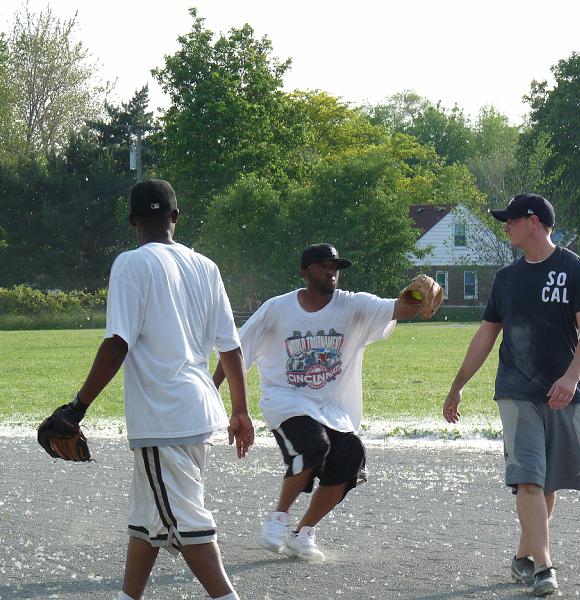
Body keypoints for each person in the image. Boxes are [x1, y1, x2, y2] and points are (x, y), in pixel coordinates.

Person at [42, 180, 254, 600]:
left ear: (132, 221)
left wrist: (78, 406)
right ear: (175, 217)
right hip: (196, 412)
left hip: (163, 416)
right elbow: (230, 345)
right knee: (149, 521)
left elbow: (117, 342)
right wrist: (241, 410)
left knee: (187, 524)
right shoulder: (205, 266)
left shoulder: (131, 263)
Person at [215, 243, 422, 563]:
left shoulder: (353, 305)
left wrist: (418, 295)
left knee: (351, 456)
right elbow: (236, 350)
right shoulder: (278, 309)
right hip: (286, 400)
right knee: (313, 445)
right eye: (323, 266)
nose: (331, 272)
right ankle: (278, 519)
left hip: (333, 408)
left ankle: (303, 534)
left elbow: (400, 308)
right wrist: (214, 391)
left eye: (335, 267)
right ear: (304, 272)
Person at [443, 194, 580, 598]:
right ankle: (545, 567)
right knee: (528, 478)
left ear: (533, 221)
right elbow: (485, 336)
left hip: (562, 393)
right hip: (515, 391)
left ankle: (523, 557)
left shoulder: (574, 268)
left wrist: (570, 378)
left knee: (548, 484)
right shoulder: (506, 278)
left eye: (510, 219)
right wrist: (458, 384)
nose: (505, 226)